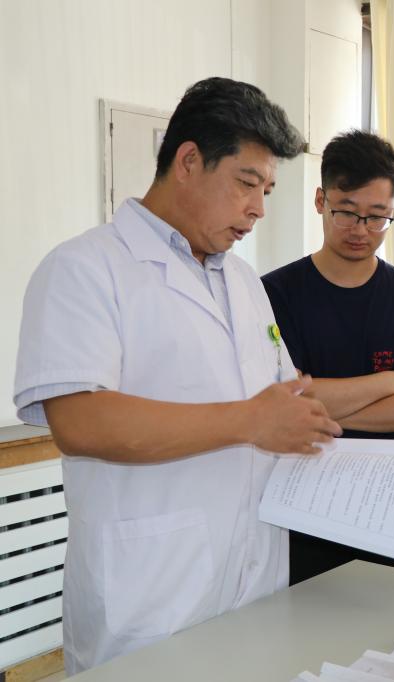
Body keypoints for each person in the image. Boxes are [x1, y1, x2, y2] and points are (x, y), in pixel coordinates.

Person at [12, 77, 341, 673]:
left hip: (254, 589)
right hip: (151, 599)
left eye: (266, 190)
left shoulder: (243, 281)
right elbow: (80, 423)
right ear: (188, 161)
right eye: (246, 183)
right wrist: (250, 421)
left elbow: (276, 394)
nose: (258, 209)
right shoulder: (83, 269)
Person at [261, 129, 394, 584]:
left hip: (389, 500)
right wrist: (390, 382)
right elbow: (285, 399)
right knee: (298, 617)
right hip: (301, 496)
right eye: (346, 212)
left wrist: (322, 407)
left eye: (377, 216)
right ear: (320, 200)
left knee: (387, 615)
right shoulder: (274, 293)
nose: (361, 230)